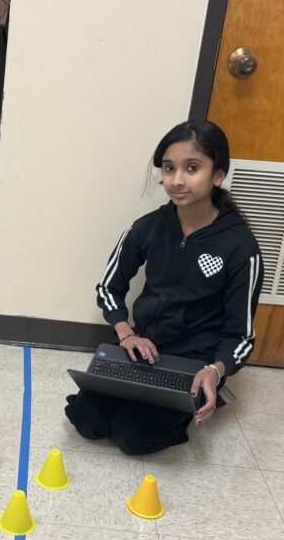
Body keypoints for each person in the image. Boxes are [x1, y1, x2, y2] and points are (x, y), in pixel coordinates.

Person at [65, 120, 263, 455]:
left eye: (192, 168)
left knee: (131, 437)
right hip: (143, 351)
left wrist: (215, 370)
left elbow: (240, 336)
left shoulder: (241, 248)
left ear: (218, 175)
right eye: (169, 168)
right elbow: (108, 288)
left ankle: (203, 396)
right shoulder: (147, 228)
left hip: (195, 361)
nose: (177, 180)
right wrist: (126, 333)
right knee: (87, 421)